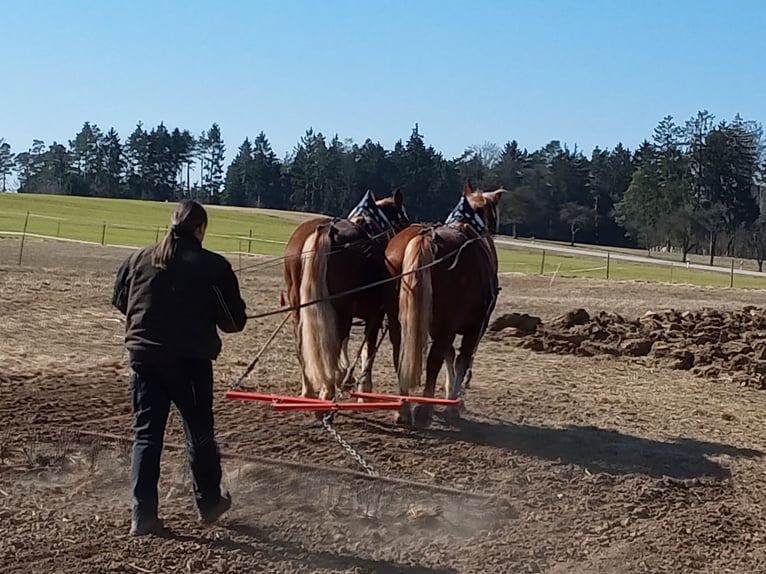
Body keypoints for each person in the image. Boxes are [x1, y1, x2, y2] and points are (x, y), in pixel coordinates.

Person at [111, 199, 247, 536]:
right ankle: (209, 502)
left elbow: (120, 300)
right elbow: (232, 322)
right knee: (199, 433)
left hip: (143, 358)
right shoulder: (213, 265)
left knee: (146, 435)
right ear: (201, 229)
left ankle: (142, 516)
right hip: (190, 363)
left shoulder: (138, 259)